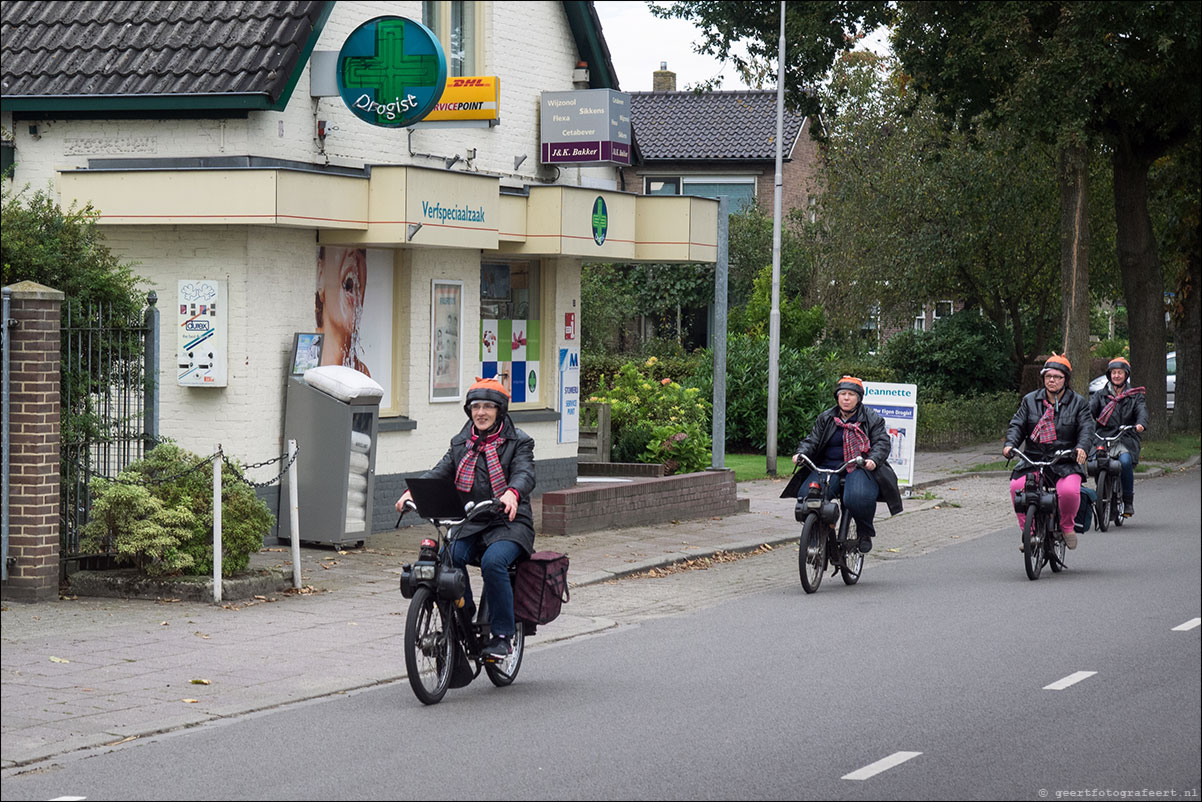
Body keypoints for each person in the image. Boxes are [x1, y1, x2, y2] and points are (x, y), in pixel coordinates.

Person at [395, 377, 535, 659]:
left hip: (509, 522)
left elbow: (524, 473)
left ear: (500, 410)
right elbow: (440, 471)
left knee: (493, 562)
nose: (480, 412)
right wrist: (413, 491)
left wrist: (512, 493)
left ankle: (502, 635)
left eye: (487, 407)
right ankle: (463, 616)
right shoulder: (461, 443)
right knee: (448, 558)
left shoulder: (519, 441)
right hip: (471, 521)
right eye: (475, 407)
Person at [792, 376, 903, 553]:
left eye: (851, 394)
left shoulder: (872, 418)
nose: (846, 398)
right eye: (842, 394)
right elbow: (812, 440)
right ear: (837, 397)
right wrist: (802, 453)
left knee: (858, 498)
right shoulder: (826, 417)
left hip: (859, 466)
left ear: (858, 398)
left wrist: (873, 459)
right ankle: (816, 532)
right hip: (830, 466)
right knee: (807, 497)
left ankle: (864, 531)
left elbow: (882, 442)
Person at [1003, 354, 1094, 549]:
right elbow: (1017, 425)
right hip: (1034, 459)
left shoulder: (1078, 403)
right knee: (1016, 487)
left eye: (1057, 377)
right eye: (1048, 376)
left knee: (1069, 491)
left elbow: (1087, 428)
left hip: (1065, 461)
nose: (1052, 380)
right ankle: (1030, 533)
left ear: (1065, 380)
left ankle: (1067, 527)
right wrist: (1010, 444)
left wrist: (1082, 448)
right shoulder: (1029, 401)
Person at [1088, 357, 1148, 517]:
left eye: (1119, 373)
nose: (1116, 376)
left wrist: (1140, 424)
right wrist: (1084, 424)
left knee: (1125, 462)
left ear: (1126, 375)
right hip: (1103, 436)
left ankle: (1128, 501)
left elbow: (1142, 411)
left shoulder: (1135, 395)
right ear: (1109, 375)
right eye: (1113, 373)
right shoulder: (1100, 395)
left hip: (1125, 437)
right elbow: (1089, 412)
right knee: (1095, 464)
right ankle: (1103, 494)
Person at [315, 246, 370, 376]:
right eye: (341, 247)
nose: (354, 253)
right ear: (320, 275)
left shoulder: (362, 373)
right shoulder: (310, 360)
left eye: (361, 251)